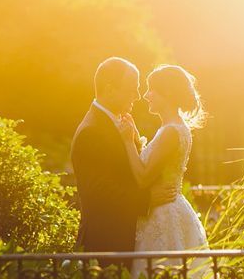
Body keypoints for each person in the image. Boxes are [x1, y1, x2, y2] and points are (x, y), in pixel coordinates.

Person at [115, 64, 209, 279]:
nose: (146, 95)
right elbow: (151, 164)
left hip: (164, 215)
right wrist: (136, 139)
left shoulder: (170, 132)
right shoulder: (175, 128)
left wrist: (126, 142)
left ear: (165, 93)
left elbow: (143, 177)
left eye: (151, 90)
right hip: (168, 208)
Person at [70, 57, 178, 261]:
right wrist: (146, 199)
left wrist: (135, 144)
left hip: (124, 240)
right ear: (110, 89)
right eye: (132, 89)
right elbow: (97, 193)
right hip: (106, 245)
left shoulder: (116, 122)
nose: (137, 96)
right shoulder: (91, 132)